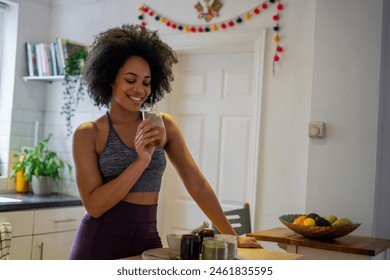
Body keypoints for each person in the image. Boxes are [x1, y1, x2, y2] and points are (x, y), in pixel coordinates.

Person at [69, 24, 261, 260]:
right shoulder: (88, 133)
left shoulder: (164, 126)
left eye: (146, 82)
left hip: (147, 241)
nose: (139, 89)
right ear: (110, 79)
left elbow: (197, 184)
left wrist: (232, 237)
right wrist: (140, 162)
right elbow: (94, 206)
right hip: (99, 243)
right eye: (131, 80)